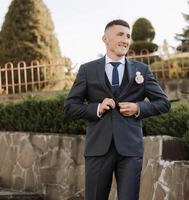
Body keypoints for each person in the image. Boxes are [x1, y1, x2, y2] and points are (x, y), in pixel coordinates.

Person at [64, 19, 170, 200]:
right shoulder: (87, 70)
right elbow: (70, 107)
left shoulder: (142, 70)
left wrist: (138, 107)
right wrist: (97, 108)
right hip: (98, 149)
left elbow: (163, 103)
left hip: (130, 150)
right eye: (120, 34)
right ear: (105, 39)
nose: (125, 40)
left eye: (128, 36)